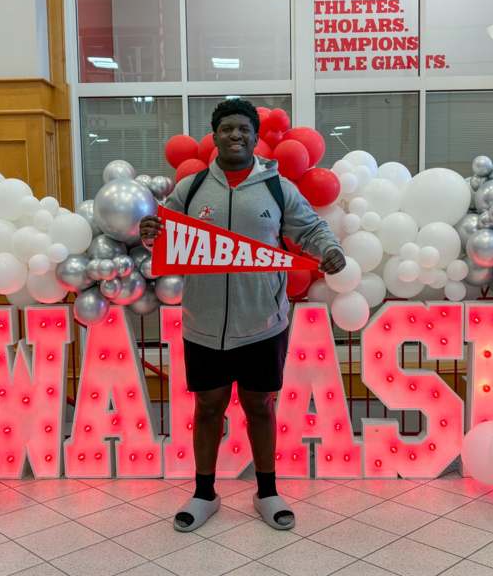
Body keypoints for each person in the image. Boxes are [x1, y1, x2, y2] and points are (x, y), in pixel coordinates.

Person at [140, 99, 345, 533]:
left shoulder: (277, 187)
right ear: (215, 137)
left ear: (255, 137)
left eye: (244, 130)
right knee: (209, 406)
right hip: (203, 322)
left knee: (260, 406)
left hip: (264, 323)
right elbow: (162, 233)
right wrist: (148, 233)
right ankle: (204, 493)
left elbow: (309, 228)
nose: (236, 135)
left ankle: (267, 491)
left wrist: (328, 249)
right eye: (228, 129)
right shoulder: (192, 189)